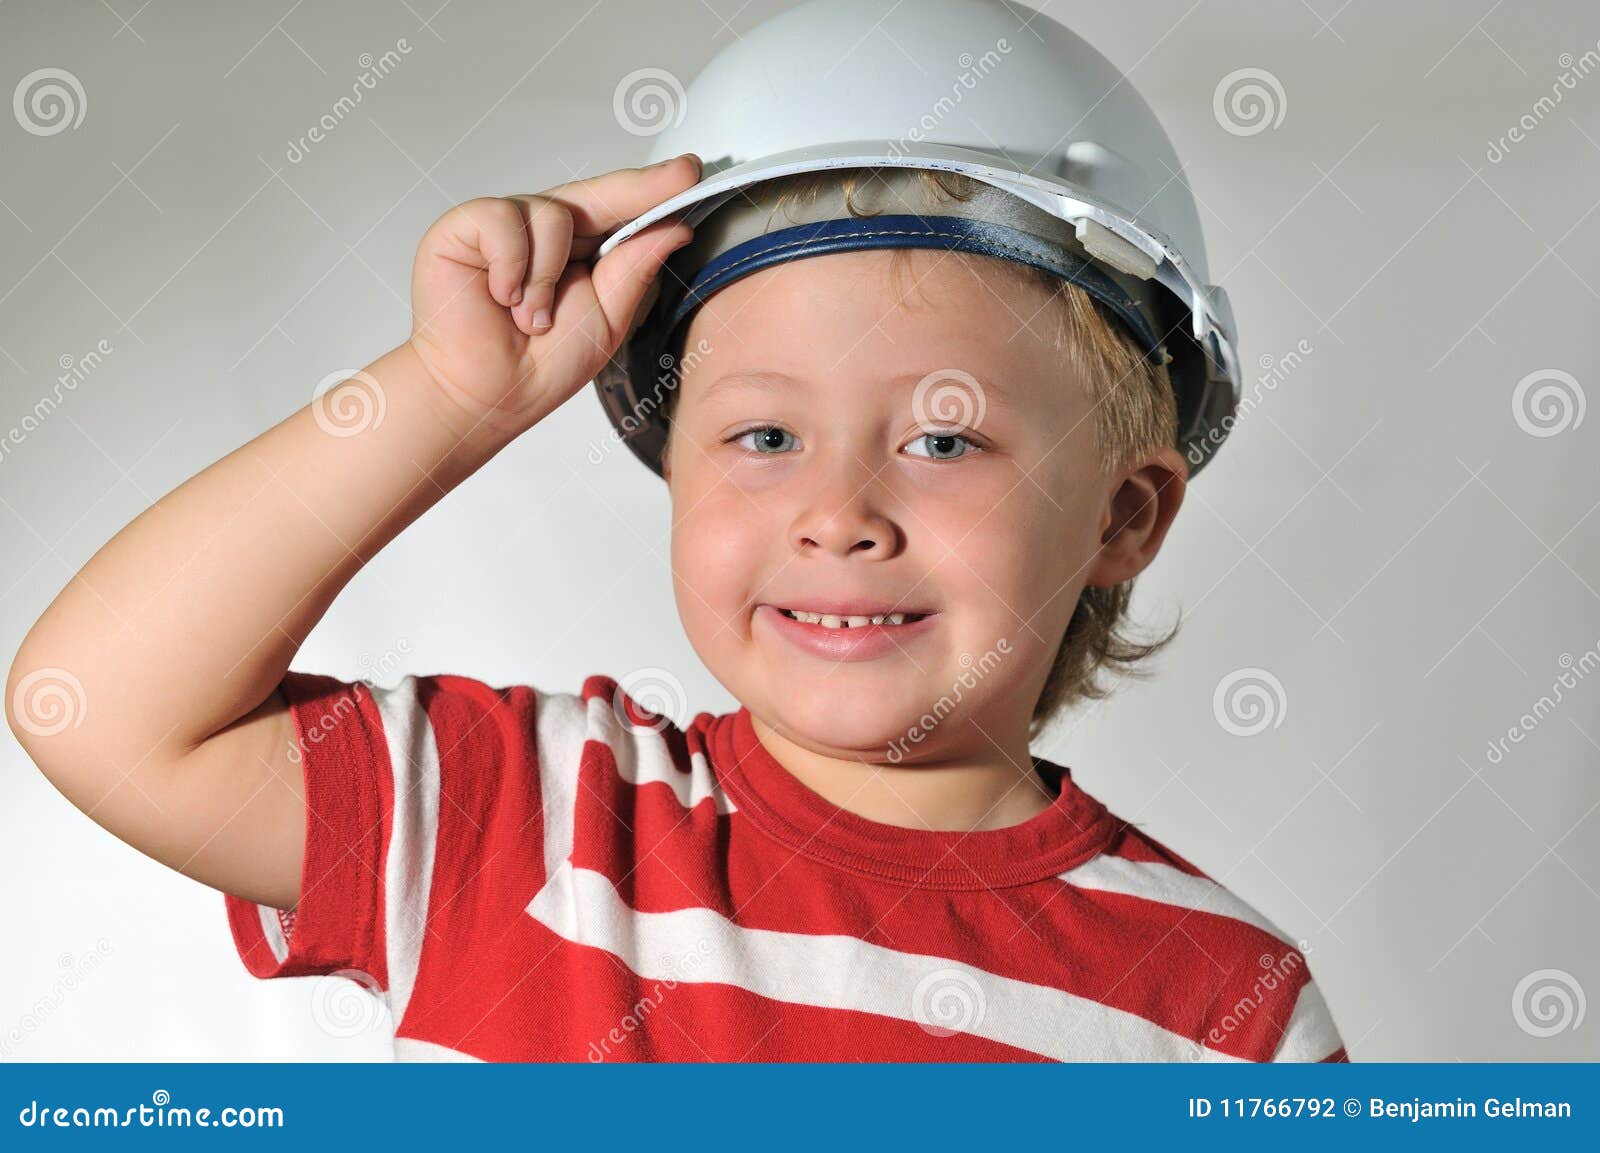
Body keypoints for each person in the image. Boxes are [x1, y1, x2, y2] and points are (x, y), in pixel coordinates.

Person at [5, 0, 1346, 1062]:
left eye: (944, 439)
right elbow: (104, 709)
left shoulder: (1231, 1010)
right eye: (765, 436)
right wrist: (453, 399)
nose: (837, 514)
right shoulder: (521, 823)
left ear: (1123, 513)